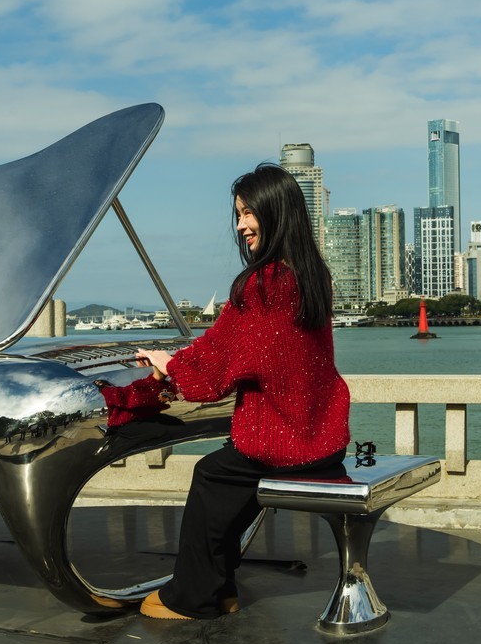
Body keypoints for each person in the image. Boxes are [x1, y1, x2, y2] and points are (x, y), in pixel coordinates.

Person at [131, 162, 351, 620]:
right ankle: (222, 587)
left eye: (248, 213)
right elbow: (243, 349)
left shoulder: (264, 283)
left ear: (275, 212)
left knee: (211, 478)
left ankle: (193, 598)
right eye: (238, 214)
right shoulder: (312, 277)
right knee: (230, 482)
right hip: (323, 441)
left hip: (283, 444)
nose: (241, 225)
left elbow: (217, 366)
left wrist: (167, 363)